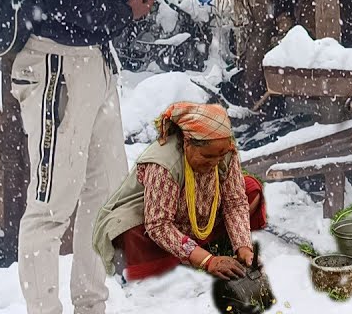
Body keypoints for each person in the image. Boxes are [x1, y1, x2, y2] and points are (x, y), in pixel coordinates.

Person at [5, 0, 189, 314]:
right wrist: (125, 13)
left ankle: (91, 306)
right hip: (56, 65)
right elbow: (72, 4)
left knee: (105, 198)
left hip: (95, 63)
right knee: (50, 207)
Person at [92, 103, 267, 282]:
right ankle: (185, 253)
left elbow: (234, 202)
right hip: (159, 220)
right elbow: (159, 225)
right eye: (207, 156)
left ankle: (191, 247)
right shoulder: (164, 163)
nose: (215, 162)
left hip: (199, 216)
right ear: (187, 144)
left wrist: (244, 248)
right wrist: (208, 261)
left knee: (251, 190)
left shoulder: (226, 152)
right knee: (130, 234)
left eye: (220, 156)